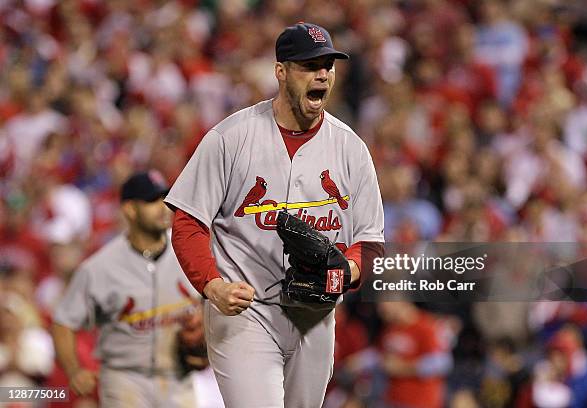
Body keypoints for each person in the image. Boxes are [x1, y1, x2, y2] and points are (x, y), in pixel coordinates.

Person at [165, 22, 385, 407]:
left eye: (328, 66)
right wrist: (213, 286)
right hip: (246, 312)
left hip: (315, 317)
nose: (322, 74)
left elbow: (369, 245)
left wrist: (340, 272)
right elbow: (188, 222)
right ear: (280, 71)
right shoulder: (231, 138)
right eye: (309, 65)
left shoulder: (351, 149)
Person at [51, 170, 223, 408]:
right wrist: (73, 371)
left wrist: (207, 334)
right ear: (130, 209)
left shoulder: (191, 253)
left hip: (178, 377)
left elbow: (216, 299)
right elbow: (63, 323)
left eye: (165, 198)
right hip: (124, 378)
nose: (163, 207)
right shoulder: (100, 267)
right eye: (152, 201)